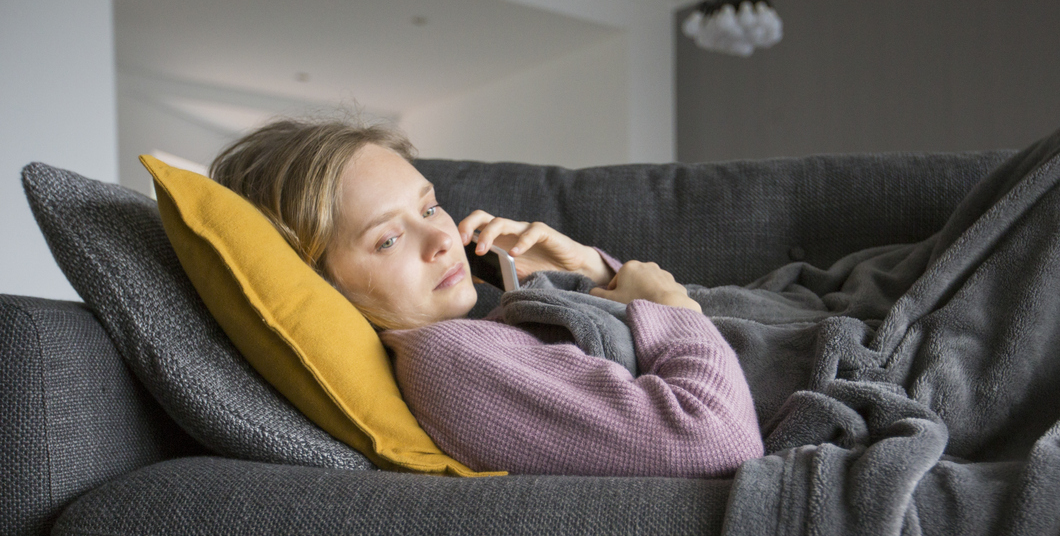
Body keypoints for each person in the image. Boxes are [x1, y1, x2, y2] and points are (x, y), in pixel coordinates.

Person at [210, 119, 764, 477]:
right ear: (317, 283)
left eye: (428, 208)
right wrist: (670, 310)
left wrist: (591, 273)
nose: (442, 239)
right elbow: (713, 439)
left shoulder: (489, 323)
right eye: (387, 239)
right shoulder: (447, 359)